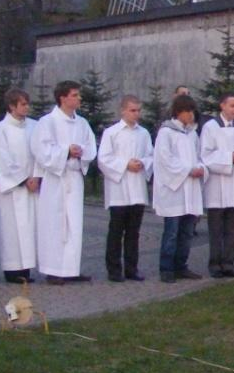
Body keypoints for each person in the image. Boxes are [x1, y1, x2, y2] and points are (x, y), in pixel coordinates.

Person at [32, 80, 98, 284]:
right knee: (55, 225)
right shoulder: (47, 122)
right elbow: (41, 150)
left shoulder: (82, 123)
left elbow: (91, 147)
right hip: (56, 179)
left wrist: (81, 153)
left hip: (74, 178)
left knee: (74, 225)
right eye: (75, 95)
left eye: (79, 95)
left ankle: (71, 268)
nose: (79, 98)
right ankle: (54, 270)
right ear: (62, 98)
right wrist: (66, 151)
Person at [97, 94, 154, 282]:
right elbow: (104, 159)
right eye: (132, 110)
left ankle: (132, 268)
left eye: (138, 110)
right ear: (123, 111)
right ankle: (114, 269)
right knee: (116, 231)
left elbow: (150, 155)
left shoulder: (143, 133)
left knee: (133, 232)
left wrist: (143, 163)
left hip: (137, 188)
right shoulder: (112, 132)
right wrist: (125, 164)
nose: (136, 114)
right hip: (119, 189)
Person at [152, 94, 205, 282]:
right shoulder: (167, 132)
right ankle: (166, 268)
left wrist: (200, 168)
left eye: (192, 111)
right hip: (174, 190)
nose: (191, 115)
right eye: (188, 111)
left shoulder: (192, 133)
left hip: (190, 190)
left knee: (187, 232)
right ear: (178, 112)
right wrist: (188, 170)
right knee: (172, 232)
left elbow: (200, 156)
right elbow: (165, 160)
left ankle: (181, 265)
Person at [0, 88, 39, 284]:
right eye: (23, 104)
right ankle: (12, 269)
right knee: (12, 229)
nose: (27, 107)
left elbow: (39, 153)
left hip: (32, 186)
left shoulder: (34, 127)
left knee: (28, 228)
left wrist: (36, 176)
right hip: (13, 188)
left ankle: (26, 268)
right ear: (11, 106)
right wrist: (23, 179)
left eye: (27, 104)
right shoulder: (0, 130)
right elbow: (1, 159)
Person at [200, 92, 234, 278]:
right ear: (222, 106)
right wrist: (229, 157)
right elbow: (205, 155)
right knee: (216, 229)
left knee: (232, 228)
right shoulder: (210, 127)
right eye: (232, 106)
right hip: (216, 185)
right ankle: (214, 263)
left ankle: (228, 263)